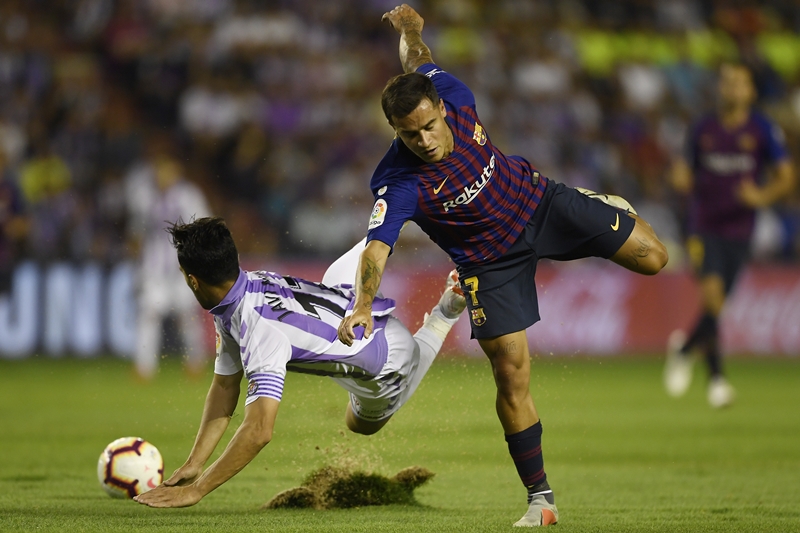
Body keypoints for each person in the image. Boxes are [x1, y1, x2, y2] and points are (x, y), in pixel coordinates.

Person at [336, 5, 669, 527]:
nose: (424, 142)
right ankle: (541, 501)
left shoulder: (456, 94)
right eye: (409, 135)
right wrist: (361, 304)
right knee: (511, 374)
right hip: (488, 263)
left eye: (428, 126)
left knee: (655, 259)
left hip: (539, 203)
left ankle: (597, 202)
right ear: (395, 130)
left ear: (441, 107)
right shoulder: (397, 183)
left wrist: (409, 28)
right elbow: (377, 249)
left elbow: (418, 58)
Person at [134, 216, 466, 508]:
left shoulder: (259, 331)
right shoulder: (242, 288)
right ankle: (406, 211)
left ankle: (445, 313)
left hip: (386, 355)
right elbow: (224, 385)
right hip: (348, 293)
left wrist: (198, 490)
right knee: (374, 239)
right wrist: (195, 462)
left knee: (360, 424)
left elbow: (259, 431)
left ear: (193, 281)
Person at [664, 63, 795, 408]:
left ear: (751, 91)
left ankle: (685, 349)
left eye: (739, 83)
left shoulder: (762, 129)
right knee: (712, 298)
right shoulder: (703, 127)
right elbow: (683, 169)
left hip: (740, 230)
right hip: (703, 226)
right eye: (727, 82)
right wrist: (680, 177)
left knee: (718, 305)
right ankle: (717, 381)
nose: (732, 88)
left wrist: (762, 197)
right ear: (719, 89)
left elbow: (786, 175)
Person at [127, 153, 211, 379]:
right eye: (160, 172)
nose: (163, 177)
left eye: (167, 172)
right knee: (149, 313)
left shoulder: (188, 196)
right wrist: (136, 259)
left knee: (187, 315)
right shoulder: (144, 196)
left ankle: (195, 362)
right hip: (153, 267)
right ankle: (144, 367)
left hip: (182, 267)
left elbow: (203, 228)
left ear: (176, 173)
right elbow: (136, 231)